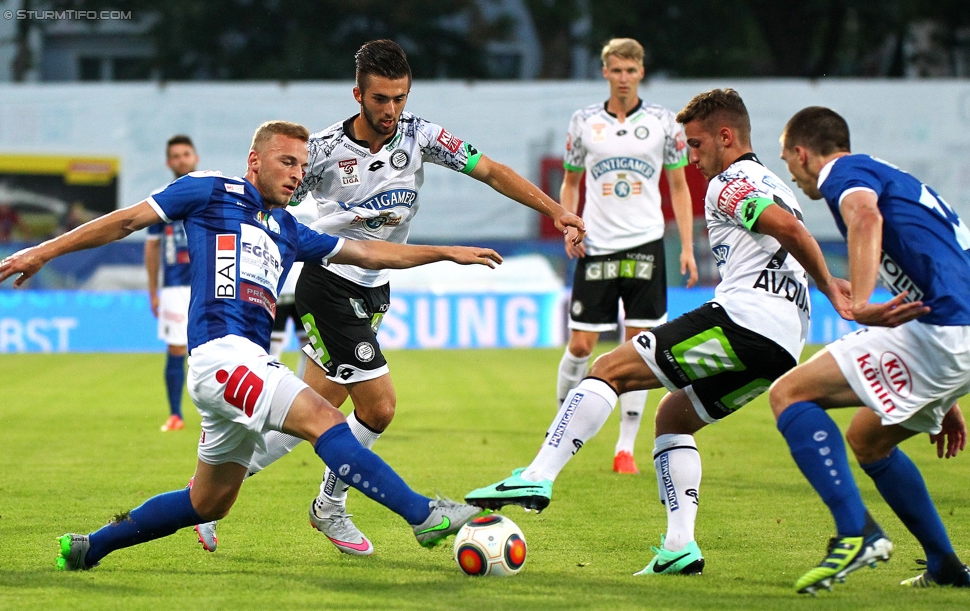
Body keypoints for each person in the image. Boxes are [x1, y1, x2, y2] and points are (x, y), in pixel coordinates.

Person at [0, 120, 503, 571]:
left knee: (208, 503)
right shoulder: (207, 190)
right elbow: (127, 221)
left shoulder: (288, 228)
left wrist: (445, 252)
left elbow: (368, 250)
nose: (296, 174)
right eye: (286, 161)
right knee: (324, 417)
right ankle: (423, 516)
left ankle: (92, 547)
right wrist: (42, 250)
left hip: (244, 364)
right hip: (222, 354)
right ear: (254, 160)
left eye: (303, 166)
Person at [198, 39, 584, 558]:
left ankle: (203, 500)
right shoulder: (326, 150)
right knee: (379, 409)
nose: (391, 111)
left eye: (399, 98)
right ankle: (329, 505)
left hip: (375, 290)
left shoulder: (422, 136)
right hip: (329, 284)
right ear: (358, 93)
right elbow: (267, 189)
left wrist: (556, 209)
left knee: (315, 412)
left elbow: (490, 170)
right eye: (380, 99)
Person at [465, 89, 851, 577]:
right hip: (784, 342)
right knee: (673, 417)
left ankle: (538, 475)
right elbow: (789, 232)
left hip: (745, 320)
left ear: (726, 137)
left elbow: (790, 233)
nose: (691, 157)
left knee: (609, 369)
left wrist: (830, 288)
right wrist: (821, 289)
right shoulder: (773, 181)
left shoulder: (729, 182)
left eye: (695, 145)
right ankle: (679, 546)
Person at [772, 106, 970, 593]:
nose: (792, 175)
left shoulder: (845, 172)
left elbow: (864, 215)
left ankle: (855, 533)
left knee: (789, 394)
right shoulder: (890, 174)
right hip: (952, 332)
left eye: (787, 162)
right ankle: (945, 564)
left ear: (802, 153)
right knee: (869, 439)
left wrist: (859, 302)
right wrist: (947, 394)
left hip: (944, 330)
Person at [558, 37, 697, 476]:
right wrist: (569, 221)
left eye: (631, 71)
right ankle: (561, 427)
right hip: (597, 242)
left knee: (639, 350)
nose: (623, 79)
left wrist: (688, 247)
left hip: (646, 243)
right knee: (581, 345)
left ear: (641, 72)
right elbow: (570, 181)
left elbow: (678, 186)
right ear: (605, 71)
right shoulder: (583, 122)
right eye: (616, 70)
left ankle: (625, 448)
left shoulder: (663, 122)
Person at [144, 135, 199, 432]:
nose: (181, 160)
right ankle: (176, 414)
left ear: (195, 157)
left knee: (214, 347)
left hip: (210, 281)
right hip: (175, 285)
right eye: (175, 156)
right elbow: (152, 247)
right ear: (169, 163)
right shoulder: (160, 198)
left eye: (185, 154)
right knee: (177, 348)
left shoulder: (210, 192)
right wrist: (153, 291)